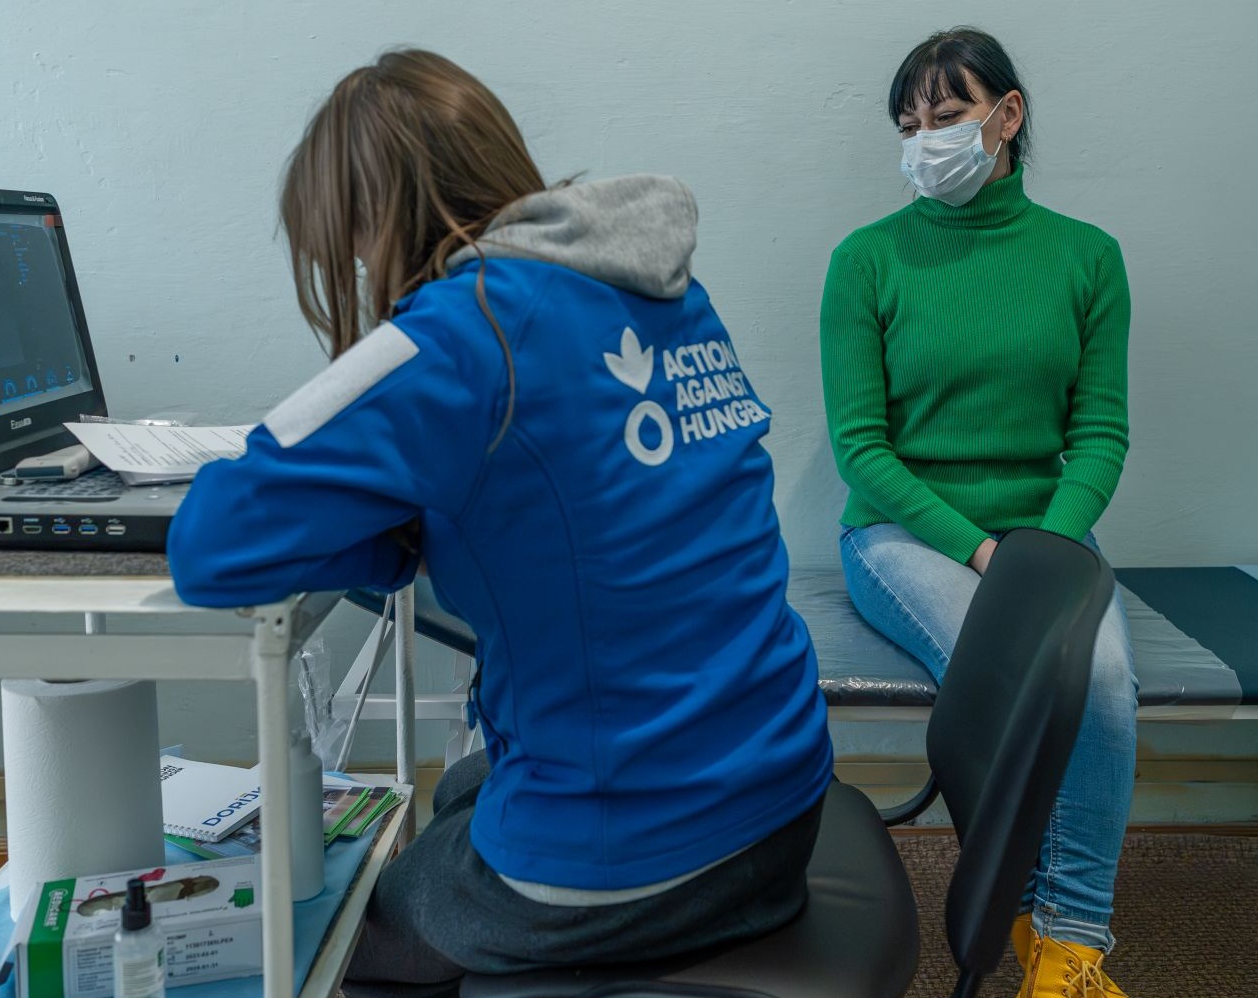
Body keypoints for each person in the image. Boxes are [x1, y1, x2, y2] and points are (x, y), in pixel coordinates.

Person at [167, 49, 833, 992]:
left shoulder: (460, 330)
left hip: (645, 841)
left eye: (348, 239)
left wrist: (381, 541)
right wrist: (404, 539)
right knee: (460, 795)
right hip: (782, 789)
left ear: (375, 216)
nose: (356, 265)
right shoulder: (665, 292)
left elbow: (210, 543)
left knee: (331, 938)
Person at [819, 27, 1138, 997]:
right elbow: (861, 447)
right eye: (909, 123)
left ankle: (1069, 941)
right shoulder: (865, 260)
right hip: (902, 532)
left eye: (947, 115)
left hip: (1045, 538)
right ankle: (1011, 900)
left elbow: (1101, 433)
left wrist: (1038, 547)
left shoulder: (1088, 258)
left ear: (1008, 117)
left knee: (1105, 683)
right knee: (1015, 680)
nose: (925, 139)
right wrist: (982, 548)